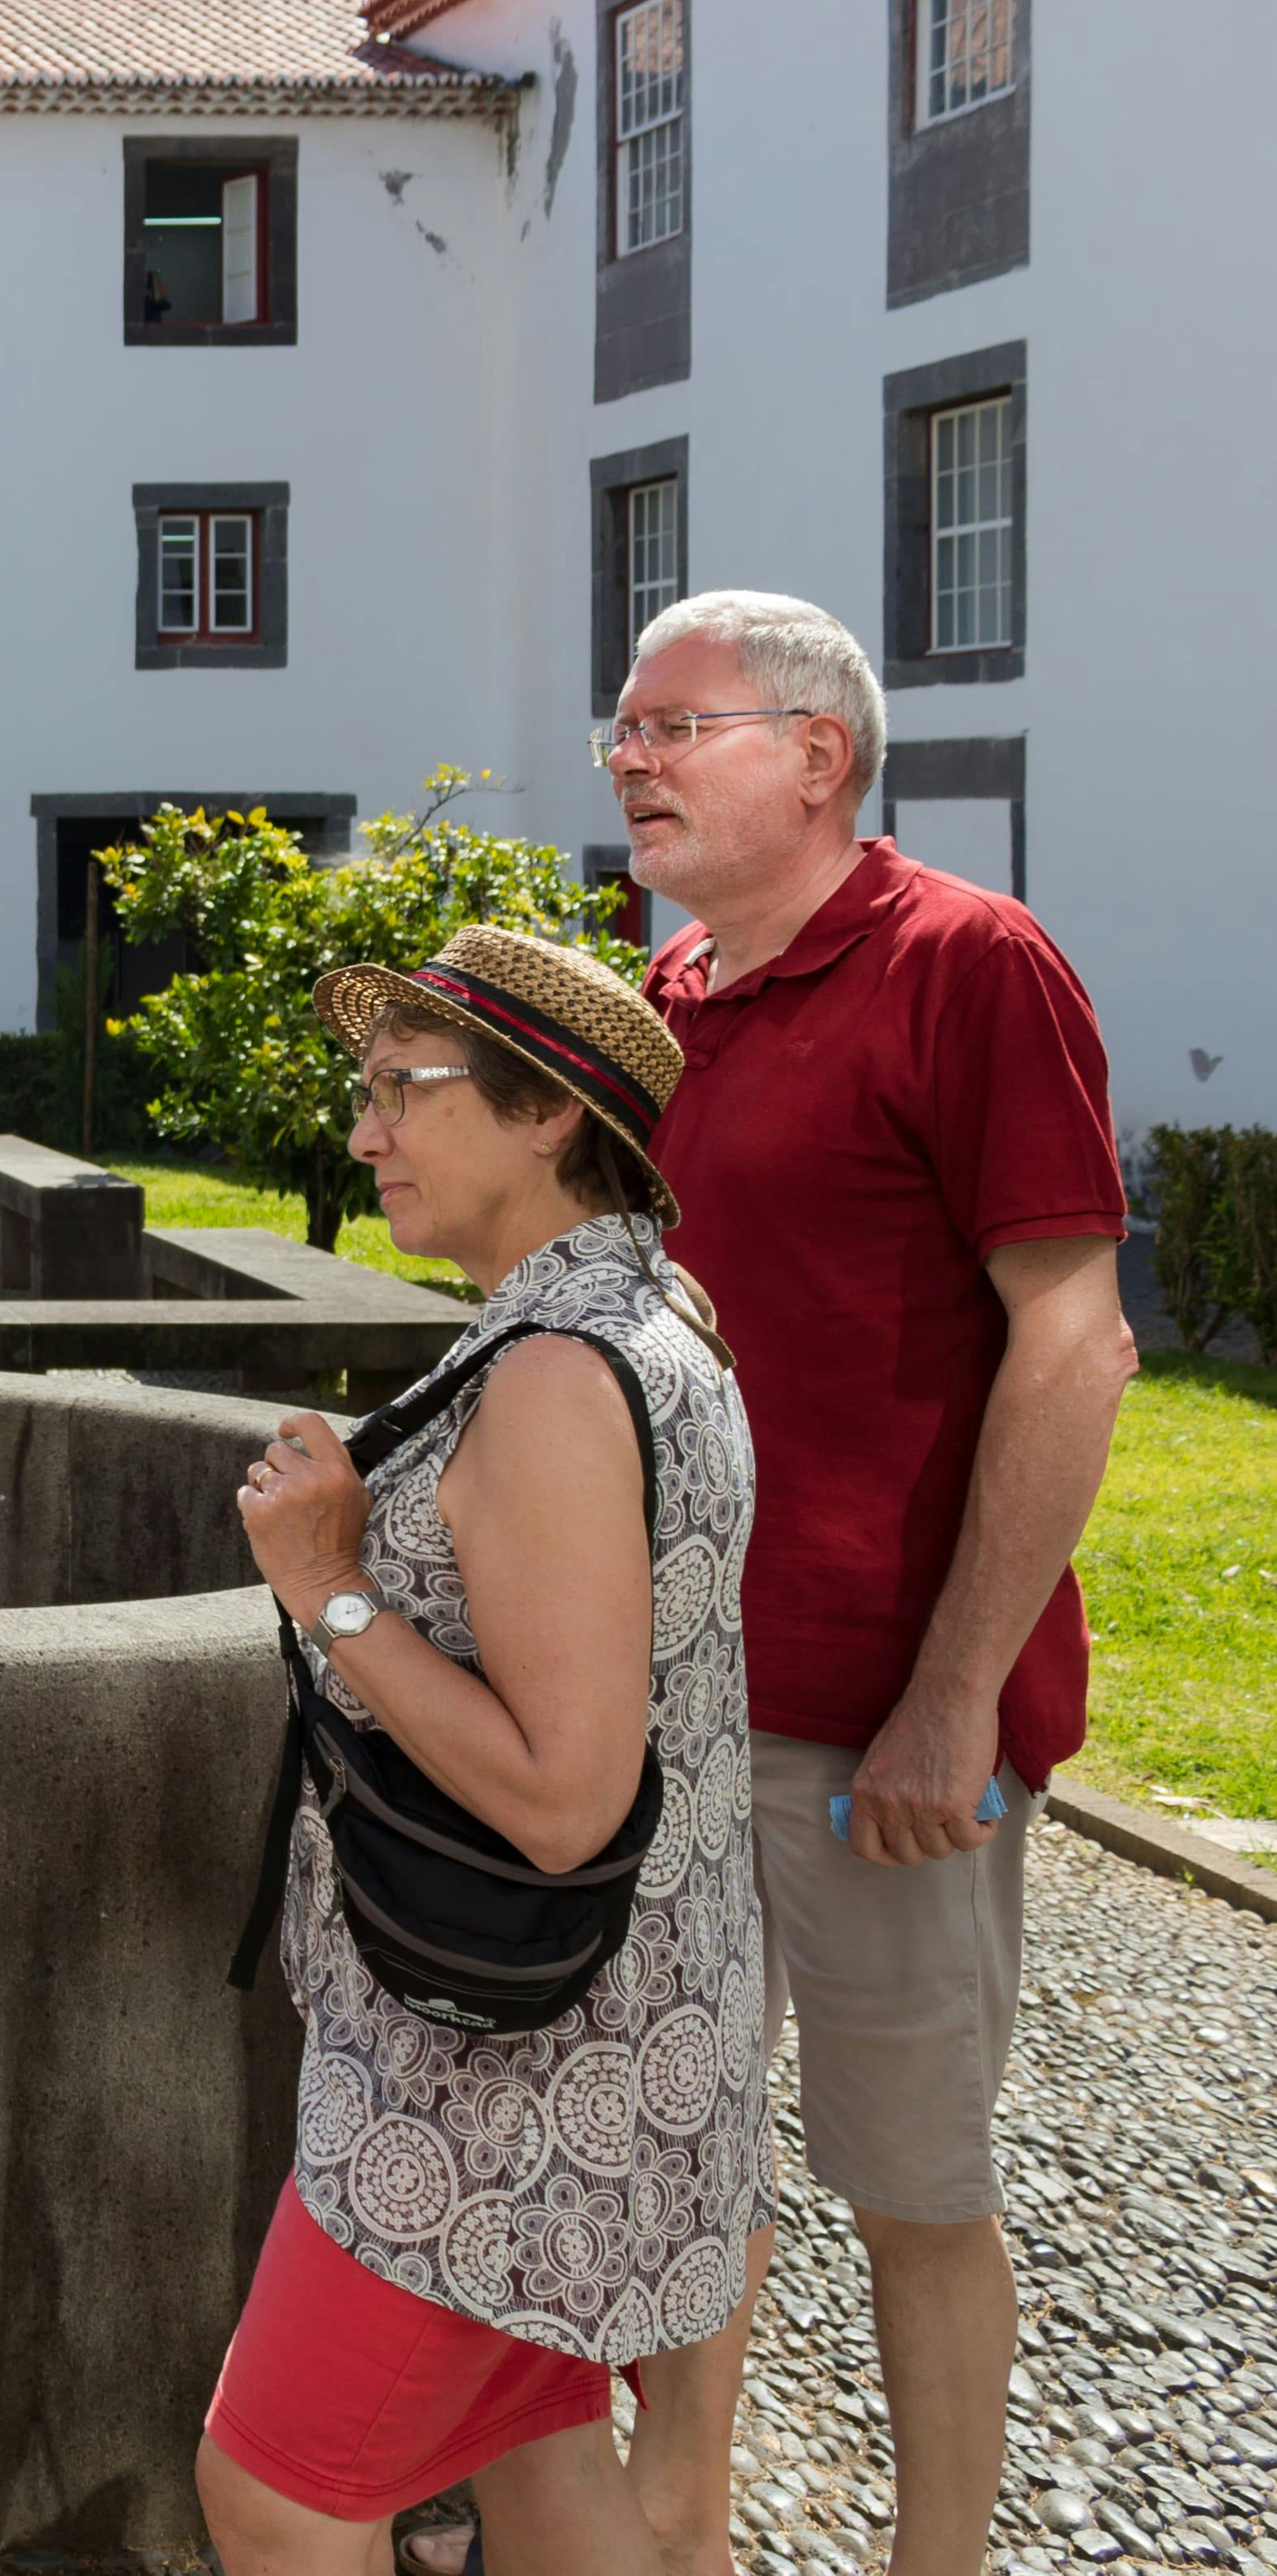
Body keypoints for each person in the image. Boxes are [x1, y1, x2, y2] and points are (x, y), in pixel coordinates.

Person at [609, 590, 1134, 2576]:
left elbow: (1072, 1340)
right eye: (622, 736)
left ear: (816, 752)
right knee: (683, 2162)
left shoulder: (968, 966)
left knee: (912, 2186)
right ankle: (675, 2537)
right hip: (661, 1709)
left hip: (875, 1728)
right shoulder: (663, 995)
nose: (632, 762)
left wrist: (951, 1697)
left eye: (674, 727)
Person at [204, 924, 767, 2576]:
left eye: (403, 1088)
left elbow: (561, 1787)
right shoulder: (653, 1316)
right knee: (534, 2458)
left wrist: (330, 1587)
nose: (365, 1129)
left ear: (545, 1118)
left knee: (277, 2491)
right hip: (614, 2027)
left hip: (493, 2080)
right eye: (362, 1090)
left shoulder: (552, 1377)